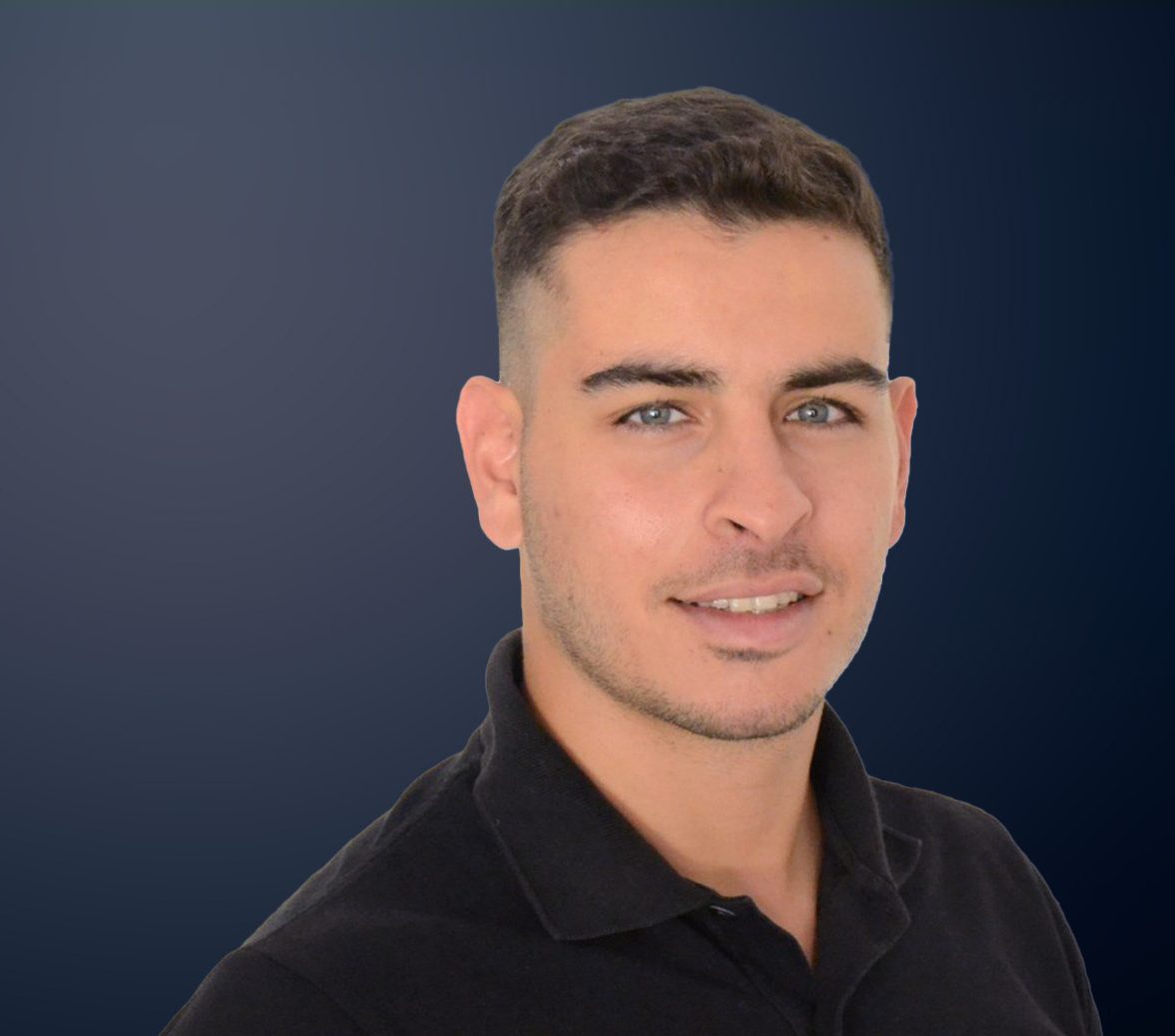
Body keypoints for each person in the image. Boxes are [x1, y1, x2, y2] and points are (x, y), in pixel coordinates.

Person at [162, 87, 1099, 1035]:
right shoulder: (316, 1004)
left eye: (819, 411)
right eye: (656, 413)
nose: (765, 503)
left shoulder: (986, 891)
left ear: (899, 456)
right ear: (501, 468)